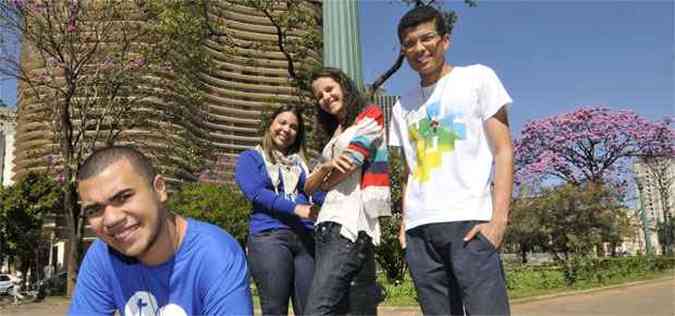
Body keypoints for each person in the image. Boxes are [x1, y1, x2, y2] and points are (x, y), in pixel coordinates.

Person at [389, 6, 514, 316]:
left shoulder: (478, 78)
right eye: (409, 43)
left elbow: (503, 150)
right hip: (420, 230)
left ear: (445, 40)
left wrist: (498, 220)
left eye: (426, 38)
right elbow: (409, 169)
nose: (419, 48)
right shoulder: (401, 105)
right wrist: (405, 222)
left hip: (470, 222)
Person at [69, 146, 252, 316]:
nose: (111, 219)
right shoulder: (103, 256)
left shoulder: (215, 254)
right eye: (94, 210)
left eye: (123, 197)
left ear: (159, 189)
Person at [304, 67, 390, 315]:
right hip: (325, 224)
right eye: (319, 96)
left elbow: (347, 167)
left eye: (329, 89)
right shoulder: (334, 135)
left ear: (343, 85)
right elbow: (309, 185)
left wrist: (324, 176)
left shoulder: (370, 116)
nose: (325, 98)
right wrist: (326, 170)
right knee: (345, 309)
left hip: (350, 224)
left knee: (317, 309)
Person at [234, 105, 322, 316]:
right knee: (275, 309)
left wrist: (330, 184)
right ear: (270, 124)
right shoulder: (251, 158)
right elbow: (256, 193)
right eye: (282, 123)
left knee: (311, 310)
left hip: (306, 238)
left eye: (293, 127)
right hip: (270, 236)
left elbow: (316, 195)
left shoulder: (302, 165)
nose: (286, 129)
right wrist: (296, 208)